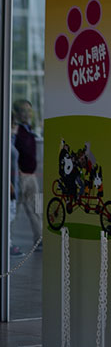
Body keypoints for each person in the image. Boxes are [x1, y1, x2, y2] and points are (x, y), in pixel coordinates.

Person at [12, 100, 41, 251]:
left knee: (36, 210)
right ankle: (8, 241)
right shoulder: (16, 131)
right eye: (23, 111)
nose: (27, 114)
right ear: (16, 114)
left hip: (32, 176)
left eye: (29, 111)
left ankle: (39, 239)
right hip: (20, 176)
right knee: (14, 211)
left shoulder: (29, 131)